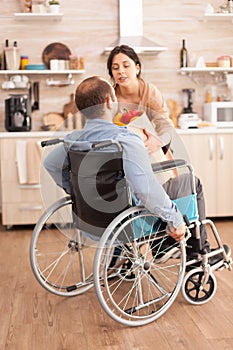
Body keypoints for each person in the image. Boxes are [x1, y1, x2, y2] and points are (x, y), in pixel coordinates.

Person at [44, 76, 230, 263]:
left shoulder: (73, 140)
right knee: (191, 182)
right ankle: (197, 253)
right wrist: (175, 219)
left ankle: (163, 248)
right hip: (131, 223)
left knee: (151, 185)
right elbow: (145, 189)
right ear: (109, 102)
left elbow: (50, 164)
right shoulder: (125, 140)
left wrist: (76, 192)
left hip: (91, 221)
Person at [106, 44, 226, 260]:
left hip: (154, 152)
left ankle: (179, 245)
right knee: (179, 189)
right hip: (130, 159)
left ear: (138, 67)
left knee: (167, 192)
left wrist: (157, 140)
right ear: (111, 72)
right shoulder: (110, 97)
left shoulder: (148, 91)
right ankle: (195, 249)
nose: (121, 71)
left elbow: (164, 123)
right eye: (115, 68)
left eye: (126, 65)